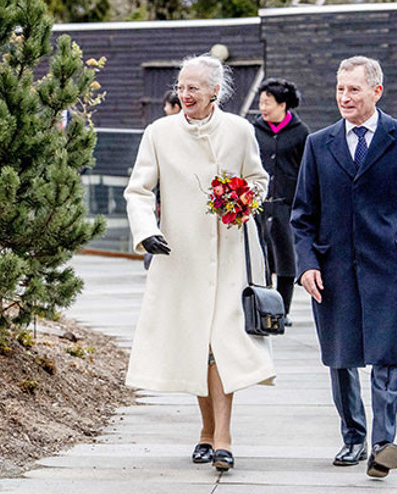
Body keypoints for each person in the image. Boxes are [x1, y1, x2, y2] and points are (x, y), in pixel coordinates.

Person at [290, 56, 397, 478]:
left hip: (391, 269)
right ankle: (353, 437)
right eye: (340, 89)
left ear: (377, 91)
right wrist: (306, 265)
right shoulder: (319, 144)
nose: (345, 97)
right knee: (341, 360)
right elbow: (302, 215)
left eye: (354, 90)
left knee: (389, 359)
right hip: (333, 271)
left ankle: (382, 443)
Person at [124, 54, 276, 472]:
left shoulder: (240, 130)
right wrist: (146, 230)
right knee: (196, 341)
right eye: (182, 87)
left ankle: (223, 438)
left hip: (232, 255)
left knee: (221, 344)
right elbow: (138, 190)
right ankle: (206, 432)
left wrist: (243, 201)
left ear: (215, 92)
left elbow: (259, 180)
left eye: (194, 88)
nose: (185, 94)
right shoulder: (159, 133)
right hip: (181, 255)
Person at [253, 78, 309, 323]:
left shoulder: (300, 133)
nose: (263, 108)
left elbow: (306, 169)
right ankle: (262, 307)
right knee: (260, 255)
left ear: (283, 104)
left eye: (268, 103)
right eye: (261, 102)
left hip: (288, 203)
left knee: (286, 259)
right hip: (257, 203)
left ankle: (282, 310)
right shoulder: (253, 130)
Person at [143, 90, 181, 270]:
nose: (165, 109)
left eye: (167, 105)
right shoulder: (159, 131)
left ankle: (153, 260)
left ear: (176, 107)